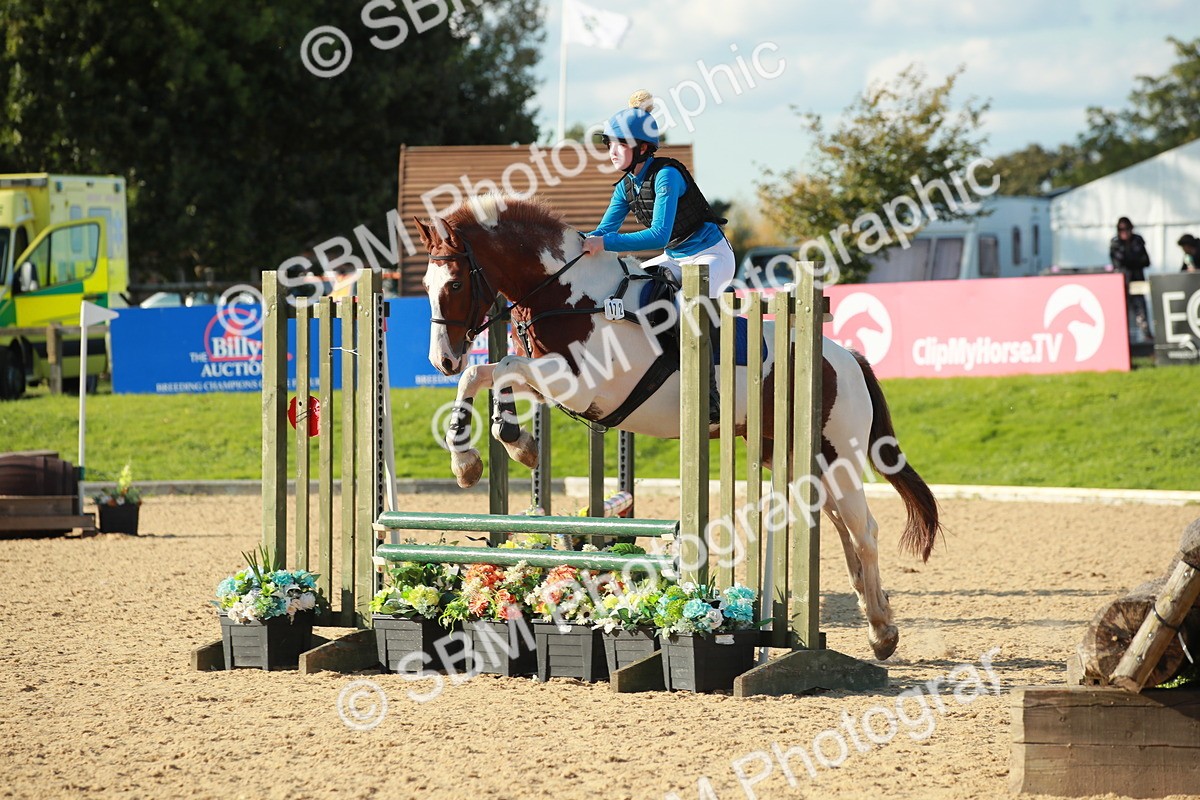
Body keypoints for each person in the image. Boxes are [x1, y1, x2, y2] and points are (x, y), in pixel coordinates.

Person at [582, 90, 732, 298]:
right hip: (673, 259)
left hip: (710, 257)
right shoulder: (624, 187)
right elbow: (603, 231)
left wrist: (605, 243)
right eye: (610, 144)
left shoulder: (667, 175)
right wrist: (578, 241)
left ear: (643, 148)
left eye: (622, 144)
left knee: (683, 306)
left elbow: (659, 236)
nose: (612, 152)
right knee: (626, 289)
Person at [1109, 216, 1152, 340]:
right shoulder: (1115, 243)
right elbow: (1118, 263)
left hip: (1137, 281)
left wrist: (1131, 261)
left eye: (1127, 229)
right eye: (1121, 229)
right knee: (1121, 311)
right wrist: (1133, 260)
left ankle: (1146, 338)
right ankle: (1121, 338)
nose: (1124, 232)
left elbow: (1145, 261)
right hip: (1122, 283)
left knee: (1141, 311)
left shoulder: (1137, 241)